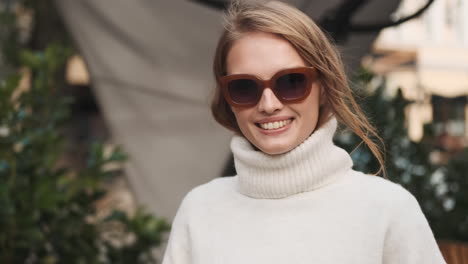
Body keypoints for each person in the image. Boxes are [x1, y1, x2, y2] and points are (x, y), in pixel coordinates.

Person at [162, 1, 446, 263]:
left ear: (324, 88)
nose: (269, 104)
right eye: (244, 87)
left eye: (291, 82)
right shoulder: (200, 210)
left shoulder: (387, 209)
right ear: (227, 98)